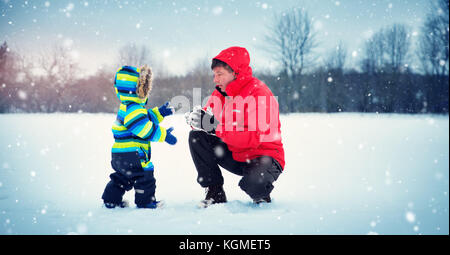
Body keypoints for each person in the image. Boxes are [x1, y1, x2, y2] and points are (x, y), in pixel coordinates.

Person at [185, 46, 285, 207]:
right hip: (237, 154)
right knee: (197, 137)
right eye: (214, 75)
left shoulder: (259, 93)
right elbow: (207, 123)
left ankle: (260, 192)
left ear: (235, 73)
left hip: (265, 156)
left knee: (253, 186)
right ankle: (215, 192)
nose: (215, 80)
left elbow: (252, 139)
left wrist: (215, 127)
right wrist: (196, 120)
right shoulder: (220, 93)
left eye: (219, 74)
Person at [101, 65, 177, 209]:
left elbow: (144, 118)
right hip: (133, 154)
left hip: (120, 153)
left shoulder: (127, 107)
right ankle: (145, 201)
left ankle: (111, 200)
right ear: (139, 90)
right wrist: (164, 135)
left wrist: (160, 112)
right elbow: (143, 128)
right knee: (144, 175)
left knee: (122, 177)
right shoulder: (134, 109)